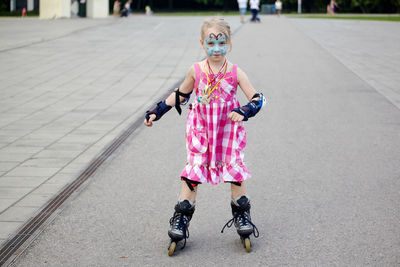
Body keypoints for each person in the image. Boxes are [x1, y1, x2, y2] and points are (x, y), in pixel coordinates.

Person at [144, 17, 263, 255]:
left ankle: (241, 214)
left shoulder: (235, 72)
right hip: (201, 129)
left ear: (229, 43)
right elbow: (181, 94)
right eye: (211, 43)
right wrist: (157, 111)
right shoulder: (196, 70)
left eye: (221, 43)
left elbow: (258, 98)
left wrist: (244, 110)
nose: (216, 49)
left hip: (228, 129)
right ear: (202, 43)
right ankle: (181, 218)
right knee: (194, 171)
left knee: (234, 170)